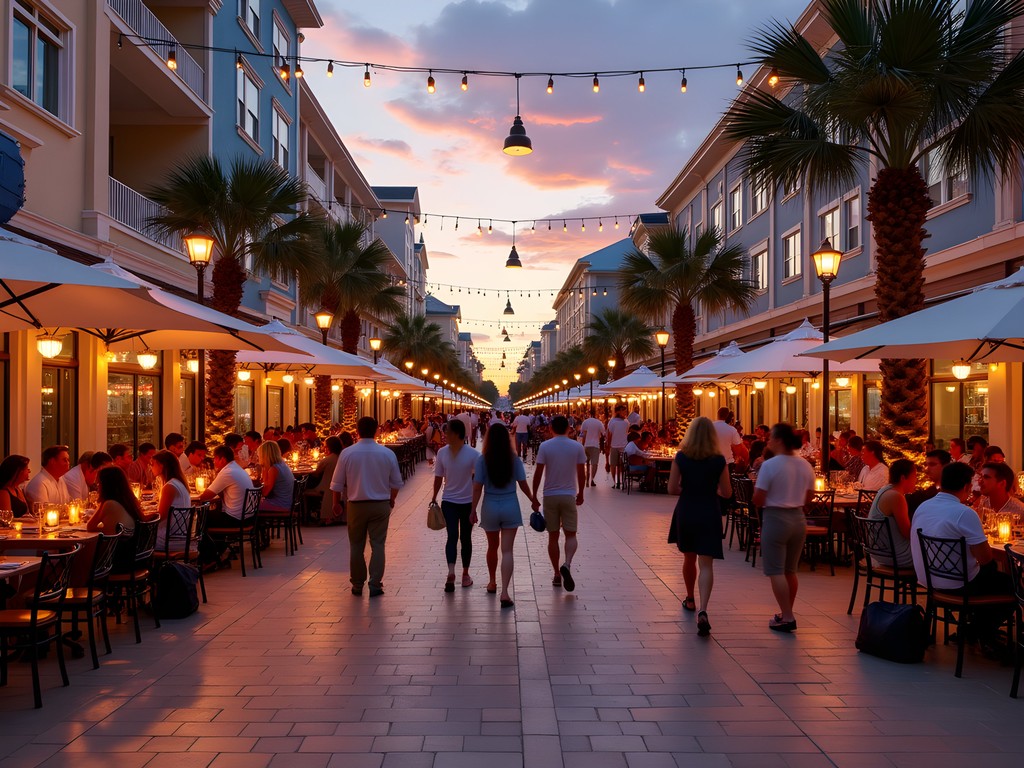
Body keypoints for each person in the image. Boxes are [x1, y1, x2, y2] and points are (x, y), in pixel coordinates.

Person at [911, 462, 1014, 658]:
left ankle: (972, 631)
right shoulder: (964, 512)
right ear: (967, 487)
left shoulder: (924, 506)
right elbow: (985, 558)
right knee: (1012, 586)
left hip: (929, 580)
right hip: (958, 585)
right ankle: (984, 633)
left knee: (993, 579)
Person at [667, 417, 732, 637]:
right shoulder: (718, 460)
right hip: (709, 511)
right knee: (706, 564)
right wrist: (712, 490)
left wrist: (688, 488)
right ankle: (704, 609)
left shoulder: (681, 457)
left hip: (687, 510)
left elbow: (671, 488)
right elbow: (727, 492)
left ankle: (690, 598)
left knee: (688, 557)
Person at [752, 423, 815, 633]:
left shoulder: (770, 465)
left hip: (776, 517)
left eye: (770, 438)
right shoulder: (805, 465)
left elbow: (758, 498)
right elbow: (810, 496)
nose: (768, 441)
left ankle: (787, 616)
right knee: (791, 570)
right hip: (798, 518)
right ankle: (787, 611)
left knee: (775, 570)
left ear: (779, 440)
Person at [331, 417, 404, 597]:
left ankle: (357, 584)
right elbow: (396, 483)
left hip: (356, 505)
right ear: (376, 431)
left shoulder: (347, 453)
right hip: (380, 504)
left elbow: (337, 484)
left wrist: (336, 503)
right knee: (378, 544)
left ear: (357, 430)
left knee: (356, 545)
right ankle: (375, 584)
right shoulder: (387, 453)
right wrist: (392, 499)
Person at [472, 423, 534, 608]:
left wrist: (472, 509)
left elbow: (477, 487)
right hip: (510, 503)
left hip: (490, 504)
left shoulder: (482, 460)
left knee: (492, 547)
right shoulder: (513, 459)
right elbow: (522, 484)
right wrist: (533, 499)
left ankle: (492, 582)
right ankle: (505, 592)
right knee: (507, 550)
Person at [532, 415, 587, 592]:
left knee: (553, 536)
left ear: (551, 428)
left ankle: (556, 573)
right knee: (571, 534)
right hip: (569, 494)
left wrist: (534, 496)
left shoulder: (545, 446)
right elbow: (581, 473)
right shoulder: (577, 446)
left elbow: (538, 473)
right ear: (569, 428)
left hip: (550, 495)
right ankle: (568, 564)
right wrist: (581, 493)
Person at [431, 418, 480, 592]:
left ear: (457, 434)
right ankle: (456, 573)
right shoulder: (443, 453)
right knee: (458, 537)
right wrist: (434, 497)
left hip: (466, 503)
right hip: (449, 502)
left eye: (448, 432)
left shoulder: (473, 455)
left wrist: (475, 506)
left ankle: (460, 572)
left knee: (460, 537)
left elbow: (478, 482)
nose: (445, 434)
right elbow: (438, 478)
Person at [866, 459, 917, 568]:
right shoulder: (896, 497)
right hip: (894, 555)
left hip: (878, 551)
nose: (916, 480)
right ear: (903, 478)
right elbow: (907, 533)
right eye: (914, 476)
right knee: (933, 554)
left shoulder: (884, 490)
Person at [199, 445, 255, 527]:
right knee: (211, 512)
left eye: (215, 458)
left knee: (200, 516)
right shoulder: (236, 468)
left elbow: (205, 496)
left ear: (223, 459)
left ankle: (209, 539)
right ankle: (217, 539)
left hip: (235, 520)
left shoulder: (227, 472)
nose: (214, 461)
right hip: (248, 517)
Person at [87, 466, 153, 535]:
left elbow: (90, 527)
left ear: (105, 485)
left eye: (99, 484)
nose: (97, 488)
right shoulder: (126, 500)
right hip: (131, 542)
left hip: (120, 544)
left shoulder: (110, 504)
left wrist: (103, 529)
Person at [150, 450, 193, 553]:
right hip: (181, 534)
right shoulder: (178, 482)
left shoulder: (170, 486)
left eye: (153, 464)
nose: (151, 468)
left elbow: (161, 516)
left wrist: (143, 517)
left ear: (161, 466)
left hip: (171, 539)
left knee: (136, 539)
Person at [307, 435, 343, 525]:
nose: (323, 448)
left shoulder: (327, 460)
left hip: (325, 487)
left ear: (329, 448)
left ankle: (308, 514)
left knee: (305, 486)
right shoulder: (342, 457)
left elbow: (316, 473)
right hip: (341, 487)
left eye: (325, 446)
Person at [906, 449, 950, 517]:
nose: (927, 469)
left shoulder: (953, 493)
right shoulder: (926, 494)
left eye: (932, 464)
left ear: (946, 466)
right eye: (927, 465)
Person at [256, 440, 296, 511]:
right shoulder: (282, 464)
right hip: (286, 502)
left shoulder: (274, 469)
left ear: (265, 455)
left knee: (249, 505)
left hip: (280, 505)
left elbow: (265, 493)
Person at [605, 404, 630, 489]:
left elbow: (626, 432)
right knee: (613, 464)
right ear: (618, 411)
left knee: (622, 464)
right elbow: (609, 434)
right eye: (623, 411)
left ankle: (621, 480)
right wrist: (608, 445)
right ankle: (614, 481)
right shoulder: (612, 421)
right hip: (614, 445)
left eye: (625, 411)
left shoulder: (626, 422)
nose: (625, 413)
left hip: (623, 445)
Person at [578, 412, 605, 487]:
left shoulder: (585, 422)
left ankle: (586, 480)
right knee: (594, 464)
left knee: (586, 463)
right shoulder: (599, 423)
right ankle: (592, 480)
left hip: (586, 445)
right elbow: (604, 434)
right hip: (595, 445)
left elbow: (582, 434)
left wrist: (582, 446)